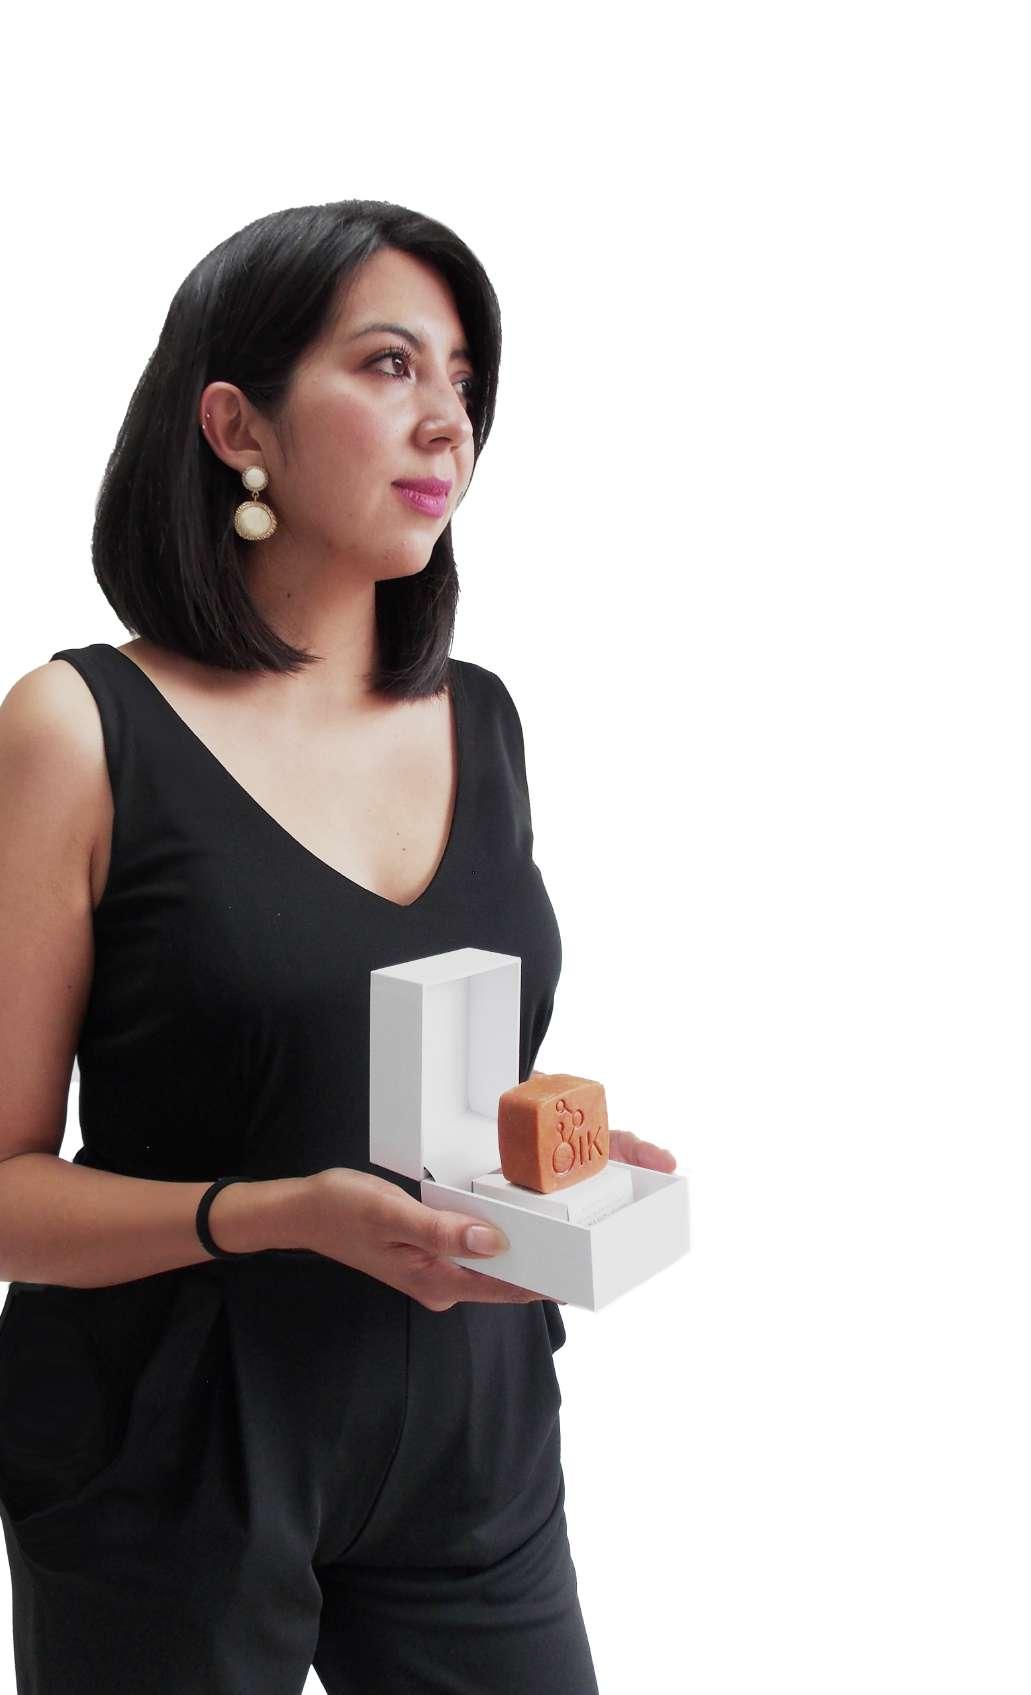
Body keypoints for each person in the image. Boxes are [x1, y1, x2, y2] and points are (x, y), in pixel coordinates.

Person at [0, 198, 624, 1695]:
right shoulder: (80, 732)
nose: (448, 421)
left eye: (464, 379)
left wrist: (559, 1174)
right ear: (237, 425)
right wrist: (277, 1215)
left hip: (472, 1433)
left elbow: (427, 1093)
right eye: (390, 365)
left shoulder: (481, 720)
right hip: (172, 1448)